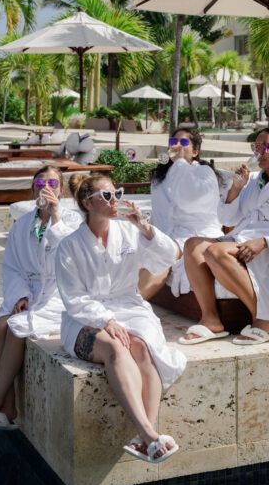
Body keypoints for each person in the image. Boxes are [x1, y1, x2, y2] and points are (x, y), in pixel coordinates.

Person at [56, 173, 185, 464]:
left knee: (142, 346)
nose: (115, 200)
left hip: (129, 306)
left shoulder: (128, 233)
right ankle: (149, 434)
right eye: (106, 196)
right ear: (88, 204)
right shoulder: (69, 246)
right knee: (115, 346)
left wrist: (145, 228)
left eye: (117, 193)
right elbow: (73, 298)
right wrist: (105, 320)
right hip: (84, 318)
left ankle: (145, 437)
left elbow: (165, 259)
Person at [0, 166, 78, 429]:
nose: (46, 186)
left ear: (62, 189)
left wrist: (55, 217)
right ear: (32, 187)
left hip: (59, 293)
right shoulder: (23, 224)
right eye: (40, 181)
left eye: (53, 182)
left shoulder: (71, 220)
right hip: (30, 292)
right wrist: (20, 294)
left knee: (16, 327)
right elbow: (12, 265)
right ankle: (8, 407)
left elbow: (71, 258)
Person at [181, 127, 269, 345]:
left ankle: (264, 319)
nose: (258, 152)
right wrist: (235, 188)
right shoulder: (252, 180)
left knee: (215, 252)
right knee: (192, 245)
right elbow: (226, 218)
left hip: (267, 246)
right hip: (242, 238)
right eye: (255, 147)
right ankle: (211, 319)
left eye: (265, 147)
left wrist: (265, 243)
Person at [139, 126, 223, 300]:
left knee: (163, 253)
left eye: (184, 142)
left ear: (195, 152)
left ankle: (130, 306)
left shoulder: (203, 173)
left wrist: (179, 163)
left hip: (197, 235)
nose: (177, 145)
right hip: (170, 234)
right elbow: (160, 212)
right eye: (173, 141)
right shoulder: (161, 176)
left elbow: (189, 200)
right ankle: (120, 299)